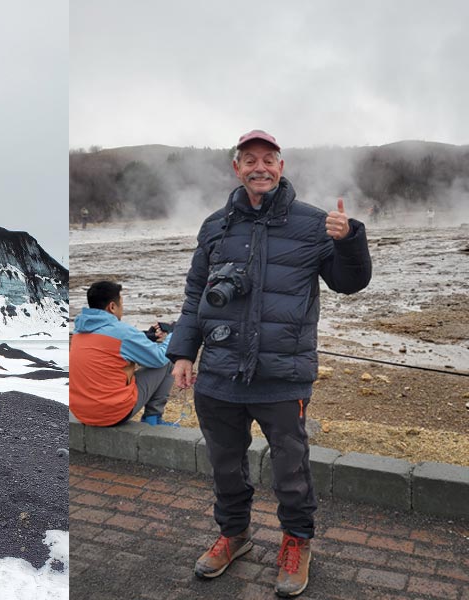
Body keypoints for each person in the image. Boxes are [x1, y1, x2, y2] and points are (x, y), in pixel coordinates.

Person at [167, 130, 371, 597]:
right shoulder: (215, 226)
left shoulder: (313, 223)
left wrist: (350, 240)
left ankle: (297, 542)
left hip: (282, 375)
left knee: (290, 470)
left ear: (281, 166)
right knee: (224, 465)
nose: (260, 167)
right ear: (236, 168)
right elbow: (196, 294)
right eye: (250, 159)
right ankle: (234, 535)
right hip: (219, 373)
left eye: (269, 159)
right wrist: (182, 352)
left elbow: (349, 282)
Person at [70, 281, 176, 427]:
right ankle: (153, 419)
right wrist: (173, 334)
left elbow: (110, 344)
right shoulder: (122, 332)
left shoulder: (78, 332)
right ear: (112, 307)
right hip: (112, 413)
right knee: (168, 360)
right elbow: (159, 358)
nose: (122, 309)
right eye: (122, 304)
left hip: (81, 412)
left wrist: (145, 337)